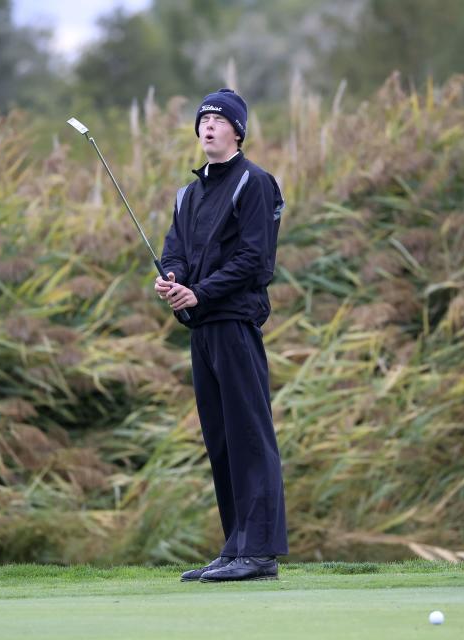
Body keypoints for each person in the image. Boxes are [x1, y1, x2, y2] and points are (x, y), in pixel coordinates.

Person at [154, 88, 288, 582]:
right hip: (204, 328)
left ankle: (261, 552)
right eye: (203, 119)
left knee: (250, 435)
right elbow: (176, 250)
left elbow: (256, 260)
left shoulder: (255, 183)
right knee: (221, 439)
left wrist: (200, 293)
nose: (208, 125)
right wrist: (172, 280)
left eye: (218, 119)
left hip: (234, 323)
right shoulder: (188, 194)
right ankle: (236, 547)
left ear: (237, 131)